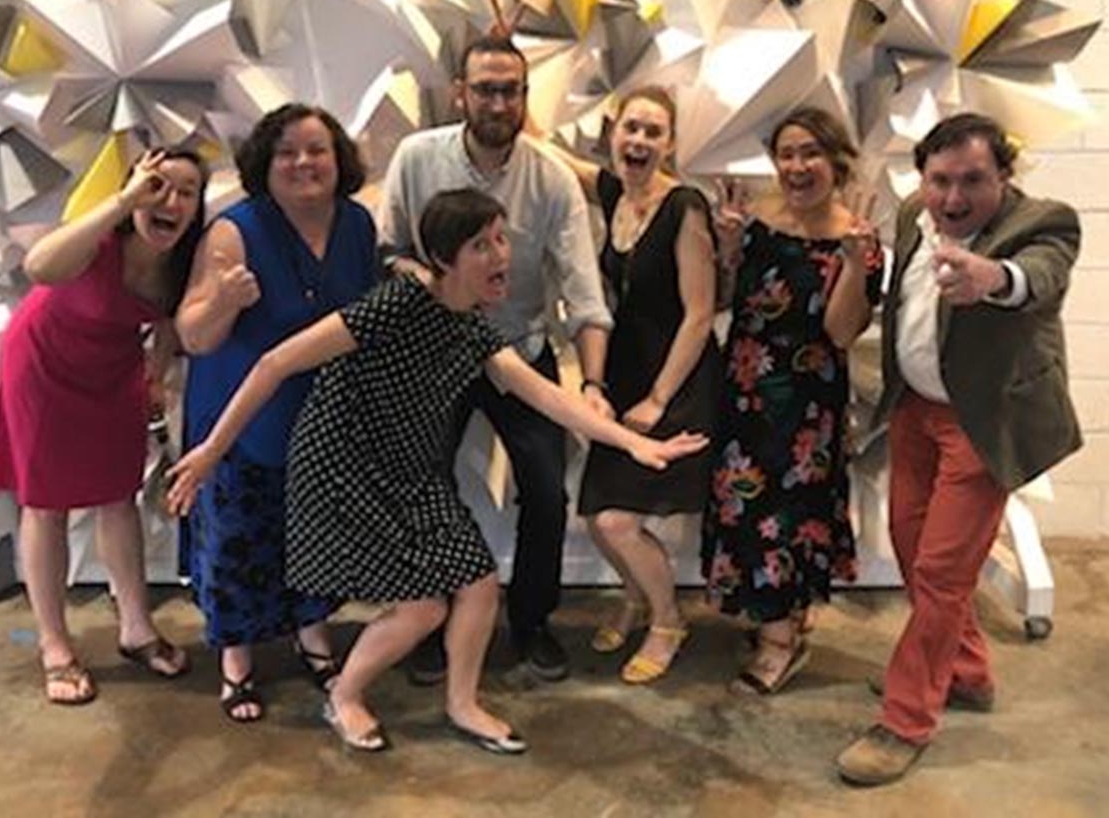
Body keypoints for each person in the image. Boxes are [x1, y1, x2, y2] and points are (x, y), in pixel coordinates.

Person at [165, 189, 707, 754]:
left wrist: (634, 443)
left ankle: (462, 703)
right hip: (343, 467)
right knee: (424, 606)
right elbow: (275, 362)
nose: (501, 254)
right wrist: (210, 451)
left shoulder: (473, 330)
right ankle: (344, 696)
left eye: (501, 239)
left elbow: (546, 396)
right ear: (445, 260)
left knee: (478, 584)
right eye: (482, 245)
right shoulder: (397, 302)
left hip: (409, 472)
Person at [835, 112, 1082, 785]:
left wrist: (992, 278)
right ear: (922, 178)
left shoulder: (1044, 223)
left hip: (983, 420)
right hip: (915, 410)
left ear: (1003, 175)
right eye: (940, 180)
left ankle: (905, 720)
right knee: (912, 548)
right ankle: (966, 671)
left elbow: (1037, 276)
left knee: (943, 573)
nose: (953, 197)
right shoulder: (913, 214)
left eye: (973, 180)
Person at [380, 34, 612, 683]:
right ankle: (428, 620)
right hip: (434, 352)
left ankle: (532, 621)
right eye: (485, 89)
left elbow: (585, 294)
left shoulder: (552, 178)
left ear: (524, 96)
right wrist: (435, 286)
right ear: (460, 93)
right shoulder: (416, 157)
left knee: (545, 490)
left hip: (522, 349)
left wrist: (593, 383)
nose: (499, 102)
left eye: (511, 90)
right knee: (422, 486)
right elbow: (387, 250)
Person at [175, 103, 377, 722]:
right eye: (286, 152)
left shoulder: (357, 224)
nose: (303, 162)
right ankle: (236, 661)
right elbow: (193, 336)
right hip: (240, 417)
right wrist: (224, 301)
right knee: (239, 539)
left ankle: (312, 637)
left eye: (316, 149)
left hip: (322, 419)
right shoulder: (235, 231)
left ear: (339, 159)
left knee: (315, 533)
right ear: (265, 163)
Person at [0, 148, 205, 704]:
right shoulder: (101, 238)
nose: (171, 201)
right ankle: (54, 644)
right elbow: (40, 267)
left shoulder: (183, 260)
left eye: (187, 192)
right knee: (46, 504)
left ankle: (136, 628)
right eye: (159, 186)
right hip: (41, 364)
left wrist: (157, 373)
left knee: (118, 495)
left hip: (112, 373)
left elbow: (167, 323)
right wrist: (122, 202)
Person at [703, 106, 884, 696]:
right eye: (786, 154)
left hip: (809, 406)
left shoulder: (859, 239)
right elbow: (722, 301)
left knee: (791, 516)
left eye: (811, 153)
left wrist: (853, 264)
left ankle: (778, 644)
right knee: (749, 511)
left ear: (836, 162)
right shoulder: (754, 221)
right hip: (746, 393)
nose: (797, 166)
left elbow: (841, 332)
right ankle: (781, 621)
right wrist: (727, 249)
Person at [547, 86, 720, 684]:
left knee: (617, 520)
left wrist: (658, 399)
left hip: (676, 376)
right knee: (598, 513)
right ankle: (635, 597)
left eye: (653, 131)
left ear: (670, 144)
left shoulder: (686, 207)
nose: (640, 140)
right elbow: (543, 147)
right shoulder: (614, 190)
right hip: (622, 374)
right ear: (613, 134)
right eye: (631, 128)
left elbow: (700, 313)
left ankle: (668, 620)